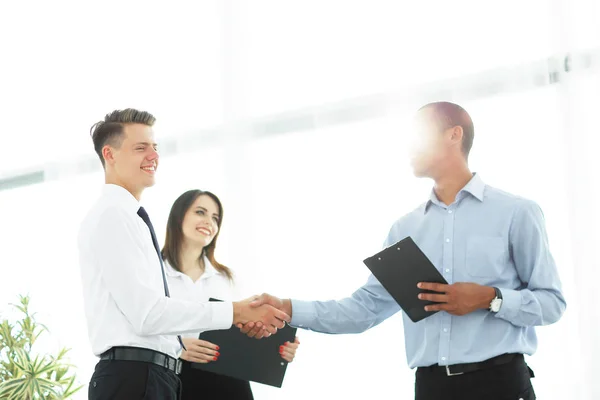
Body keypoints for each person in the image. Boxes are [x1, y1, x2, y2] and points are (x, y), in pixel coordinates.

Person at [240, 102, 566, 400]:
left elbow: (552, 303)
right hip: (431, 388)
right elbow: (364, 309)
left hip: (500, 385)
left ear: (455, 135)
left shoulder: (516, 212)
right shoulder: (404, 229)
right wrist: (286, 307)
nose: (408, 146)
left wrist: (489, 298)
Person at [78, 109, 290, 400]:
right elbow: (148, 315)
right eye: (141, 147)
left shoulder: (131, 219)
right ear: (110, 154)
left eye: (155, 147)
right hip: (137, 376)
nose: (153, 156)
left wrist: (272, 347)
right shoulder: (114, 216)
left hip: (160, 376)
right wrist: (235, 310)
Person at [160, 189, 300, 399]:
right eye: (200, 212)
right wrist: (175, 346)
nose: (209, 222)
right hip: (172, 378)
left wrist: (278, 348)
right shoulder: (154, 272)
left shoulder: (227, 278)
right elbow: (137, 324)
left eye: (215, 218)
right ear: (178, 216)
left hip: (226, 381)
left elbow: (245, 330)